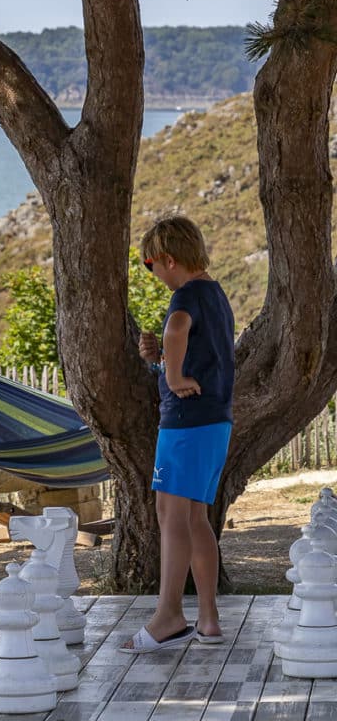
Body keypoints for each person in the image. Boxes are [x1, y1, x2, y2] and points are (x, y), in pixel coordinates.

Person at [120, 216, 234, 654]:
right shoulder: (215, 294)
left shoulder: (185, 295)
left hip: (185, 423)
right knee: (195, 518)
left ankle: (169, 614)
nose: (154, 275)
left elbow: (177, 329)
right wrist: (162, 360)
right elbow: (191, 344)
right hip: (215, 420)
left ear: (168, 259)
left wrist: (171, 372)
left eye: (151, 265)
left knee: (169, 515)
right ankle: (208, 618)